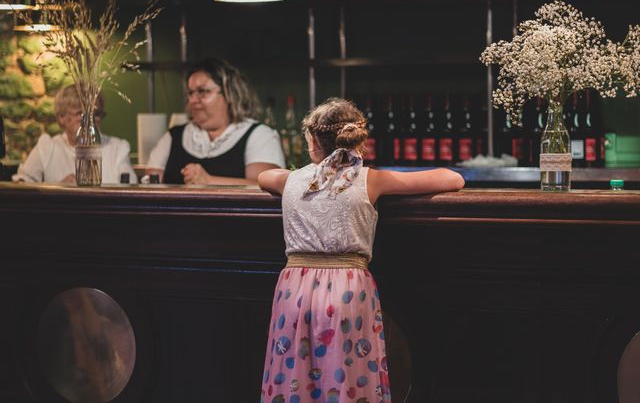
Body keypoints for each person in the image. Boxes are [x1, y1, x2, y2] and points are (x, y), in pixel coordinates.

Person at [257, 98, 464, 403]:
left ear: (313, 142)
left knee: (293, 377)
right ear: (360, 141)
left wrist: (310, 172)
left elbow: (264, 177)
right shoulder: (371, 179)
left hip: (294, 289)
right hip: (346, 289)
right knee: (345, 375)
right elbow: (453, 178)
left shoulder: (291, 180)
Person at [145, 58, 285, 185]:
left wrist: (210, 181)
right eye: (190, 93)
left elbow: (266, 187)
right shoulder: (173, 136)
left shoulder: (259, 135)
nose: (193, 100)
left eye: (202, 91)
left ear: (229, 94)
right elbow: (150, 186)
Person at [15, 85, 137, 184]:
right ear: (61, 117)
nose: (90, 121)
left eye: (96, 114)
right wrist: (58, 188)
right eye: (81, 114)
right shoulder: (47, 147)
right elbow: (23, 184)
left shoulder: (117, 148)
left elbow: (131, 188)